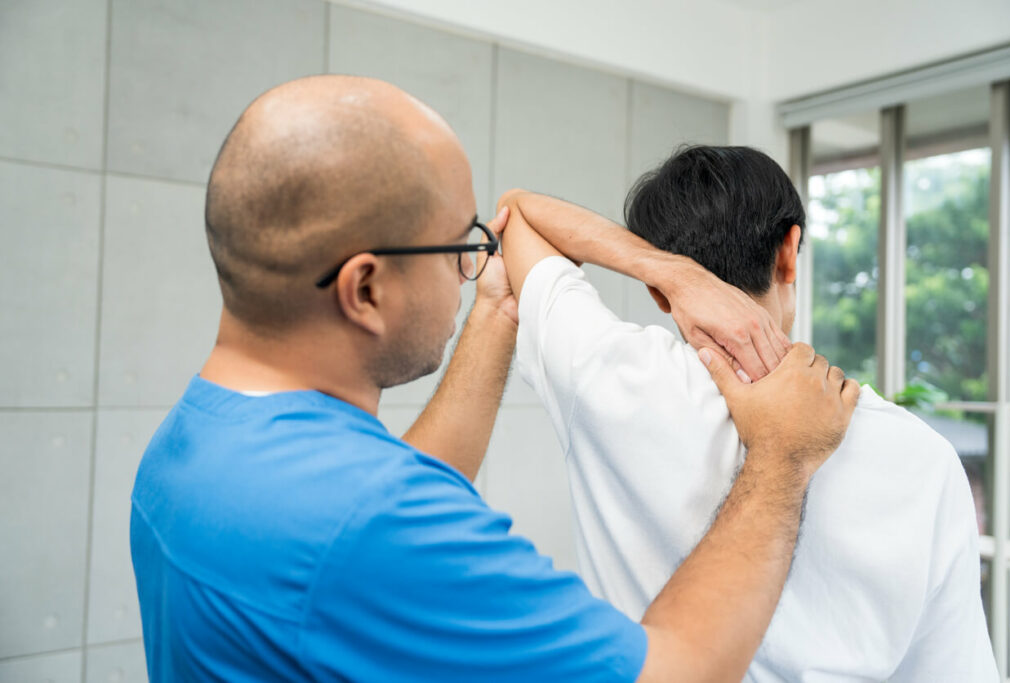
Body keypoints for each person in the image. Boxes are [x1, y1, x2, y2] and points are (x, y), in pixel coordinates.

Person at [130, 76, 859, 682]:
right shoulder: (369, 520)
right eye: (458, 245)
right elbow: (674, 672)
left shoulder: (196, 441)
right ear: (366, 290)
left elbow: (415, 474)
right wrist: (782, 454)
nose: (472, 262)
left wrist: (647, 277)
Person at [499, 145, 998, 682]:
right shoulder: (924, 458)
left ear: (657, 295)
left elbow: (519, 213)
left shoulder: (606, 375)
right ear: (791, 251)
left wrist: (673, 272)